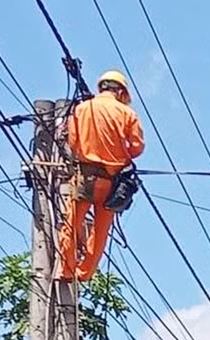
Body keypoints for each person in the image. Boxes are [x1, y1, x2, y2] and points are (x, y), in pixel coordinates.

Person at [58, 70, 145, 282]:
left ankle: (67, 270)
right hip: (112, 182)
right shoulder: (127, 114)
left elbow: (73, 142)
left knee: (71, 223)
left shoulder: (81, 109)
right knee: (101, 230)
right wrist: (118, 152)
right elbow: (137, 147)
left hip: (84, 176)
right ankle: (84, 272)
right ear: (121, 92)